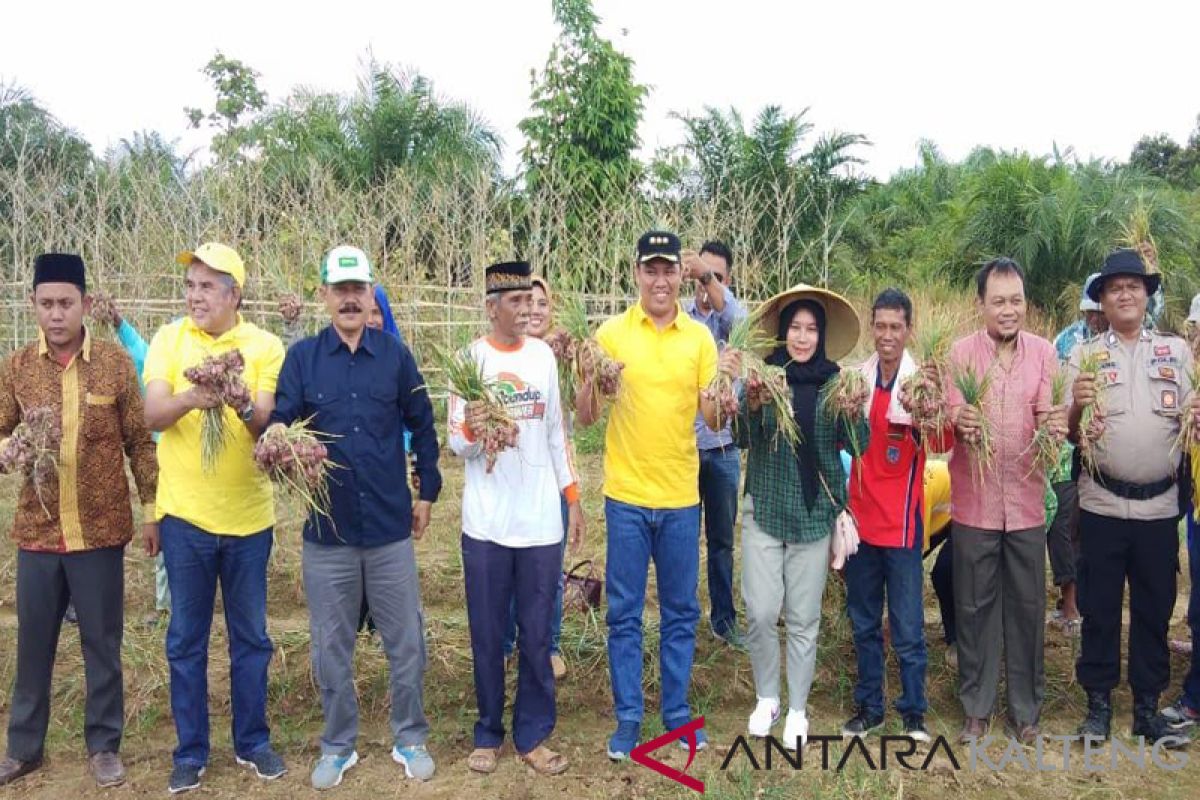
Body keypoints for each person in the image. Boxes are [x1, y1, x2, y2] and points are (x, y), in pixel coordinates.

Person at [270, 246, 443, 788]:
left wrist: (428, 490)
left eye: (358, 289)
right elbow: (281, 416)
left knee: (405, 641)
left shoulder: (394, 356)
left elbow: (424, 422)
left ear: (371, 294)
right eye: (339, 289)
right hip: (329, 534)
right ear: (324, 295)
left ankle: (409, 735)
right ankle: (338, 744)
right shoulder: (302, 359)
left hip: (390, 527)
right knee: (330, 646)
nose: (349, 298)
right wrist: (276, 435)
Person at [575, 230, 737, 760]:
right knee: (623, 613)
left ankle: (675, 714)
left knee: (680, 611)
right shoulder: (611, 334)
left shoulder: (698, 339)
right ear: (637, 273)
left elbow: (712, 419)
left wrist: (723, 396)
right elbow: (586, 417)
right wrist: (589, 379)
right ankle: (627, 719)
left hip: (679, 498)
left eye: (669, 270)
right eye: (652, 269)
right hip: (625, 497)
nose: (661, 279)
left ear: (678, 275)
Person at [0, 254, 158, 790]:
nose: (57, 314)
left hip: (100, 529)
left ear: (86, 304)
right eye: (46, 304)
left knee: (101, 642)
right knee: (34, 643)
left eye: (66, 303)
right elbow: (0, 431)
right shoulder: (17, 367)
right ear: (33, 307)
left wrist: (151, 510)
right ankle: (24, 748)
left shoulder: (114, 365)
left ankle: (104, 745)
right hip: (39, 532)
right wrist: (14, 448)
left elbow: (139, 442)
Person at [143, 242, 288, 794]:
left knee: (251, 638)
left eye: (207, 286)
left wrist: (239, 400)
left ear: (235, 294)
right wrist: (192, 397)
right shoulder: (169, 339)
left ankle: (253, 742)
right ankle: (191, 751)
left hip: (249, 519)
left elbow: (267, 425)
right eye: (191, 285)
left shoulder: (264, 346)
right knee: (186, 639)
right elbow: (153, 411)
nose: (194, 296)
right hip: (185, 519)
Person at [449, 261, 584, 777]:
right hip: (486, 524)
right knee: (486, 633)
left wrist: (571, 498)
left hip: (539, 523)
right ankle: (488, 732)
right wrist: (474, 427)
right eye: (515, 302)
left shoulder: (545, 358)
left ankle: (533, 734)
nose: (528, 310)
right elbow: (455, 443)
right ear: (491, 307)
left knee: (535, 635)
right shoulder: (469, 361)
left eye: (530, 300)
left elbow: (555, 434)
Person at [1068, 248, 1192, 745]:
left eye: (1133, 286)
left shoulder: (1177, 352)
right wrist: (1076, 408)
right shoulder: (1085, 355)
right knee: (1098, 608)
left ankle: (1146, 709)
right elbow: (1068, 431)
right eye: (1114, 287)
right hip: (1101, 504)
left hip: (1160, 508)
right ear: (1101, 298)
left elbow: (1192, 421)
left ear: (1147, 295)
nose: (1124, 293)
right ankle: (1097, 706)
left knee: (1154, 609)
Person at [738, 284, 868, 748]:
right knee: (760, 609)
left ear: (822, 334)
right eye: (795, 327)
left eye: (812, 328)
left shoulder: (836, 383)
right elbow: (740, 435)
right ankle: (766, 697)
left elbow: (859, 445)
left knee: (802, 617)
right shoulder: (764, 378)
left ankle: (796, 708)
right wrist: (751, 402)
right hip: (766, 508)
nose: (803, 336)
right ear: (782, 332)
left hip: (814, 514)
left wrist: (855, 411)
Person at [944, 257, 1063, 744]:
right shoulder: (959, 354)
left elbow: (1052, 413)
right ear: (982, 305)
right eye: (999, 301)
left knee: (1028, 607)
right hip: (974, 504)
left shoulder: (1044, 354)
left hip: (1028, 503)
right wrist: (960, 419)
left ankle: (1026, 711)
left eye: (1016, 301)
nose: (1008, 310)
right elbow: (950, 411)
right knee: (973, 607)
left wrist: (1056, 426)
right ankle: (976, 705)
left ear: (1025, 304)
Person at [842, 288, 945, 742]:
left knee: (906, 627)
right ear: (872, 327)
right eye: (880, 326)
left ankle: (913, 713)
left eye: (895, 327)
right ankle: (869, 709)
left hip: (903, 527)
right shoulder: (856, 381)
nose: (887, 335)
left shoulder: (921, 383)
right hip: (861, 525)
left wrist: (933, 411)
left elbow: (943, 444)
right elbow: (840, 441)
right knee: (864, 623)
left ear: (909, 330)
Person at [501, 275, 571, 680]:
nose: (535, 309)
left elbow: (578, 417)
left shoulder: (563, 356)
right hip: (512, 475)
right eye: (527, 301)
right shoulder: (505, 356)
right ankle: (510, 644)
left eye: (542, 302)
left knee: (550, 569)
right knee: (511, 566)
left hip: (555, 475)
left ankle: (550, 643)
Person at [90, 293, 173, 625]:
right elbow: (140, 351)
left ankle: (181, 604)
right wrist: (118, 322)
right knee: (165, 532)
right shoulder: (158, 365)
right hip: (161, 459)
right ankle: (166, 606)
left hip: (193, 468)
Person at [683, 240, 748, 648]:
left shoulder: (731, 320)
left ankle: (723, 620)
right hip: (686, 448)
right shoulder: (681, 319)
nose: (707, 285)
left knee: (722, 540)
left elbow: (741, 319)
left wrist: (711, 282)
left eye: (717, 277)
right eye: (702, 275)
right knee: (683, 539)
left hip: (723, 448)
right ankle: (684, 620)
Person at [1046, 275, 1109, 633]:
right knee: (1066, 526)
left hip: (1107, 450)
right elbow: (1056, 395)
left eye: (1100, 312)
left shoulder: (1121, 342)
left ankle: (1089, 600)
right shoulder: (1067, 341)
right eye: (1092, 312)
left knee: (1093, 529)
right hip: (1069, 451)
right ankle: (1069, 604)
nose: (1096, 318)